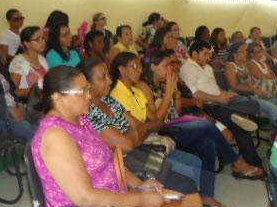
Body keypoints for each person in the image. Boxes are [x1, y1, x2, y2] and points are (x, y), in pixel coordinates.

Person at [32, 65, 182, 207]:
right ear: (57, 98)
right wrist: (141, 201)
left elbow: (112, 160)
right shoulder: (56, 136)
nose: (89, 96)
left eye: (88, 89)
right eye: (81, 92)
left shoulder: (81, 120)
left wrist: (140, 185)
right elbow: (85, 198)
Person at [142, 50, 268, 207]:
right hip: (162, 132)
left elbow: (175, 112)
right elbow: (156, 122)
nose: (170, 68)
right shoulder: (144, 87)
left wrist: (176, 96)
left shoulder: (163, 83)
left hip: (175, 124)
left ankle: (207, 196)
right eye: (166, 65)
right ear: (153, 67)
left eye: (171, 64)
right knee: (207, 126)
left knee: (208, 144)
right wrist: (168, 96)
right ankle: (237, 162)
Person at [80, 58, 197, 195]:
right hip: (123, 166)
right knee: (187, 184)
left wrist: (131, 135)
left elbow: (139, 128)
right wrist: (135, 133)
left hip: (138, 153)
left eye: (108, 76)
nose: (110, 81)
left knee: (190, 179)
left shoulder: (108, 100)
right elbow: (128, 144)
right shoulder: (88, 112)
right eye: (103, 77)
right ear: (87, 84)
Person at [109, 52, 204, 192]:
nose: (140, 70)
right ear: (122, 69)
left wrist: (148, 126)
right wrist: (168, 95)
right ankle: (188, 202)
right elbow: (137, 129)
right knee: (188, 174)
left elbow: (157, 121)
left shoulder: (137, 91)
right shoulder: (117, 95)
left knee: (195, 161)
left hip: (152, 138)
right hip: (140, 147)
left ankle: (196, 201)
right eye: (135, 66)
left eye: (140, 66)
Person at [179, 40, 263, 170]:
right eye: (205, 54)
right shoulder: (188, 68)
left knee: (248, 109)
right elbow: (194, 94)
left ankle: (250, 160)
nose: (208, 58)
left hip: (219, 101)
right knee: (240, 126)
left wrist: (225, 93)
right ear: (194, 53)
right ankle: (253, 163)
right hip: (209, 106)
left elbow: (215, 87)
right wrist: (218, 98)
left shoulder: (207, 67)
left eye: (209, 54)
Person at [225, 42, 277, 126]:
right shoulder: (231, 66)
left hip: (251, 94)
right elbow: (233, 86)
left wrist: (258, 89)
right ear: (235, 54)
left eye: (246, 50)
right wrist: (254, 89)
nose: (246, 53)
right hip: (239, 97)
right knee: (272, 108)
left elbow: (251, 82)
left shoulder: (245, 64)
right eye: (243, 51)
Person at [9, 26, 49, 100]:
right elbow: (13, 91)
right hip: (29, 103)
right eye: (37, 39)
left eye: (43, 38)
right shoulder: (19, 62)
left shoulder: (42, 59)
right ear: (26, 44)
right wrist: (38, 92)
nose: (42, 41)